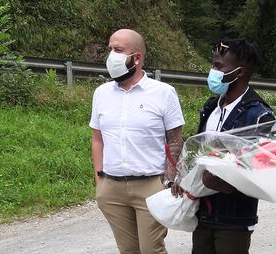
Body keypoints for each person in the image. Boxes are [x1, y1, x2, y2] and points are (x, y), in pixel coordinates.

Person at [173, 39, 276, 254]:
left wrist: (228, 185)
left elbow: (267, 169)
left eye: (219, 67)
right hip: (203, 212)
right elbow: (197, 149)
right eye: (213, 65)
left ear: (240, 72)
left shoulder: (259, 115)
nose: (213, 71)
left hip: (234, 219)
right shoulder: (212, 107)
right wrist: (182, 176)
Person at [89, 29, 185, 254]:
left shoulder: (164, 93)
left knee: (152, 250)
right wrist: (99, 181)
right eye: (110, 49)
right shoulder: (101, 93)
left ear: (137, 58)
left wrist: (168, 182)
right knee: (128, 250)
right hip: (111, 187)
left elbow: (175, 140)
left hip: (151, 185)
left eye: (119, 50)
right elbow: (97, 138)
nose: (111, 55)